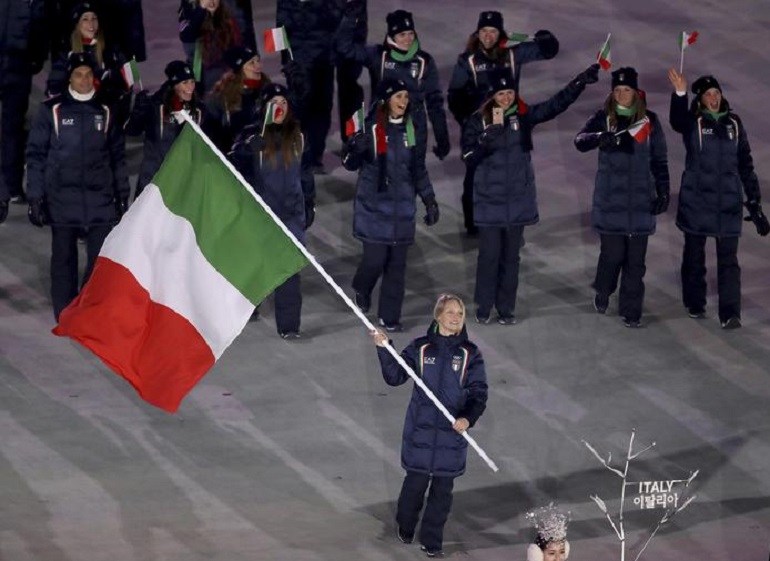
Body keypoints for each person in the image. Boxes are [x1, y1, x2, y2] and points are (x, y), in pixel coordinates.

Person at [461, 65, 600, 325]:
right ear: (492, 96)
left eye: (510, 93)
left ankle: (506, 308)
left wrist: (579, 82)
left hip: (517, 200)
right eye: (501, 94)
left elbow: (554, 106)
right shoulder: (477, 121)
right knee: (489, 257)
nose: (506, 98)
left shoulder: (523, 116)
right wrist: (483, 141)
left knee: (511, 259)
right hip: (490, 201)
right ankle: (484, 306)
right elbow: (468, 158)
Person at [371, 293, 488, 558]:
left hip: (451, 436)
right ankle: (405, 525)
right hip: (420, 433)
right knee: (414, 487)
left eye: (460, 313)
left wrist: (467, 418)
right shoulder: (420, 348)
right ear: (438, 316)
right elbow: (394, 376)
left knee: (442, 494)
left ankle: (432, 540)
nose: (456, 317)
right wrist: (384, 348)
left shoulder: (470, 354)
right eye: (450, 312)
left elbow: (479, 393)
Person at [25, 52, 129, 321]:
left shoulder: (106, 110)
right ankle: (65, 312)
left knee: (100, 260)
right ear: (69, 78)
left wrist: (122, 195)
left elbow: (117, 156)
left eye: (88, 74)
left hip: (100, 199)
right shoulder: (52, 110)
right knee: (63, 259)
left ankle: (90, 310)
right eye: (78, 75)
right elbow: (36, 156)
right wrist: (35, 197)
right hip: (62, 198)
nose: (84, 80)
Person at [667, 68, 769, 329]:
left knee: (729, 262)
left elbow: (745, 164)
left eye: (716, 93)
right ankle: (695, 302)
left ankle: (730, 313)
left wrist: (755, 203)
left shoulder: (734, 123)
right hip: (697, 203)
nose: (713, 98)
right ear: (700, 100)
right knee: (694, 257)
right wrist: (680, 93)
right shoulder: (694, 123)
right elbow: (677, 122)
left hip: (727, 204)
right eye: (708, 95)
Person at [447, 10, 559, 235]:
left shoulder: (513, 54)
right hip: (481, 127)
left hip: (511, 123)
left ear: (500, 33)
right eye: (484, 31)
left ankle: (509, 218)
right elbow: (454, 96)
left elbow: (548, 52)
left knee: (511, 171)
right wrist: (469, 121)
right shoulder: (468, 60)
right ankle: (474, 224)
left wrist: (546, 39)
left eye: (493, 31)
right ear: (477, 33)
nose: (488, 36)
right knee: (475, 174)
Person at [574, 67, 670, 328]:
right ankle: (603, 290)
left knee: (635, 264)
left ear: (636, 92)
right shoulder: (604, 118)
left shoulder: (649, 121)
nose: (621, 94)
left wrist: (663, 191)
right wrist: (598, 138)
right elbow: (580, 141)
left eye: (626, 89)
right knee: (612, 256)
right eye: (617, 90)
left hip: (640, 202)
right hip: (611, 202)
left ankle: (631, 311)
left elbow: (659, 159)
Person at [342, 78, 439, 332]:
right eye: (398, 97)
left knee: (396, 268)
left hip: (402, 211)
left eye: (406, 97)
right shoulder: (371, 127)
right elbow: (349, 163)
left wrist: (429, 199)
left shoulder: (411, 129)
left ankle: (389, 317)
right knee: (374, 260)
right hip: (374, 209)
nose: (403, 102)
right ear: (386, 99)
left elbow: (418, 168)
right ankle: (362, 287)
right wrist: (356, 148)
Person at [229, 83, 315, 338]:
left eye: (284, 102)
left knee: (289, 270)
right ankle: (247, 306)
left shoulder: (298, 135)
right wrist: (246, 150)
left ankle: (289, 326)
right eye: (274, 103)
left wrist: (309, 202)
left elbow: (305, 173)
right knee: (256, 266)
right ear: (264, 107)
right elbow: (230, 163)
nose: (280, 107)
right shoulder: (251, 134)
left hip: (291, 215)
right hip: (260, 215)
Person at [337, 6, 451, 167]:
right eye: (402, 34)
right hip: (382, 130)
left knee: (410, 178)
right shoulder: (378, 56)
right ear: (392, 36)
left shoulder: (424, 62)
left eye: (411, 33)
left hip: (413, 134)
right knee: (378, 175)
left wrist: (442, 138)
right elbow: (345, 48)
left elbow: (435, 103)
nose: (408, 39)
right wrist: (350, 17)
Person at [277, 0, 367, 171]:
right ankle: (304, 154)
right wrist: (284, 58)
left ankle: (342, 146)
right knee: (305, 104)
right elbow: (279, 24)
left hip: (331, 49)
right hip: (306, 55)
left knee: (333, 101)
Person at [0, 0, 56, 208]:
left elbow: (41, 28)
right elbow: (40, 28)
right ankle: (12, 187)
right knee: (12, 128)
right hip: (18, 65)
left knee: (12, 128)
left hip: (17, 64)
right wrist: (35, 60)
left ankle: (11, 186)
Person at [125, 60, 206, 198]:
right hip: (155, 181)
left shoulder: (199, 110)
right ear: (174, 85)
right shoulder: (155, 107)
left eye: (192, 82)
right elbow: (132, 131)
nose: (190, 87)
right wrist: (139, 110)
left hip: (186, 183)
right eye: (185, 83)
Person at [47, 2, 132, 125]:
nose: (91, 24)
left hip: (108, 114)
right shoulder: (66, 51)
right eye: (85, 19)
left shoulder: (112, 48)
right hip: (76, 116)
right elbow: (54, 88)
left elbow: (133, 77)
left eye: (94, 18)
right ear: (77, 24)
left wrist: (113, 77)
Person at [206, 45, 270, 152]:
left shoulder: (267, 89)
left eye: (258, 61)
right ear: (240, 69)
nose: (258, 66)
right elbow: (213, 132)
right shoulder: (222, 97)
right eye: (252, 63)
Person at [178, 0, 242, 96]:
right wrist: (201, 9)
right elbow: (187, 36)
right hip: (203, 79)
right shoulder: (190, 13)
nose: (211, 1)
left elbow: (239, 45)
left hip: (228, 76)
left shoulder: (228, 15)